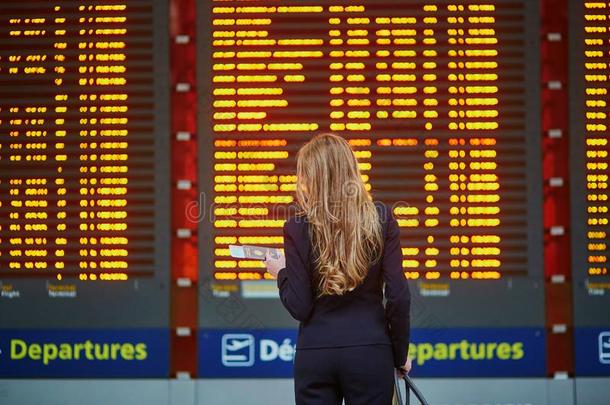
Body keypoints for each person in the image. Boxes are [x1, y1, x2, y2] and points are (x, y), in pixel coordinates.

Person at [264, 133, 411, 405]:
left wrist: (281, 273)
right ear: (351, 169)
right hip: (370, 352)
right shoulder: (382, 218)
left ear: (311, 177)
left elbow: (300, 307)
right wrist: (399, 353)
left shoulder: (296, 227)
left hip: (316, 354)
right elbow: (399, 296)